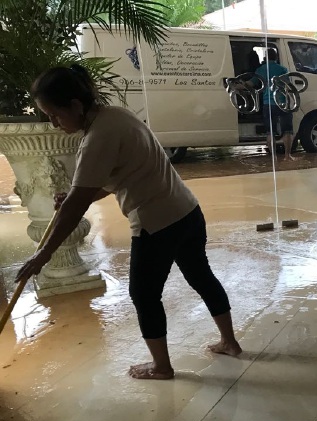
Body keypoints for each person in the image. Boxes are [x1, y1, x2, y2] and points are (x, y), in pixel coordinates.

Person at [15, 65, 242, 380]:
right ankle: (229, 342)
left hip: (157, 224)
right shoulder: (117, 116)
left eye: (54, 114)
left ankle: (161, 367)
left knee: (144, 295)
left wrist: (43, 254)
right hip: (187, 212)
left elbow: (74, 206)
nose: (53, 122)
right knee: (201, 276)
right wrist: (74, 196)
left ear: (76, 106)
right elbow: (116, 178)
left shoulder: (97, 138)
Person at [255, 48, 296, 161]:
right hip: (282, 103)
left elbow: (251, 83)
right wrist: (293, 101)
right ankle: (288, 156)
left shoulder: (260, 70)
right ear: (276, 57)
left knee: (270, 132)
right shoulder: (282, 69)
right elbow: (288, 86)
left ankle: (274, 157)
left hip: (267, 104)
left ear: (265, 58)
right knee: (287, 130)